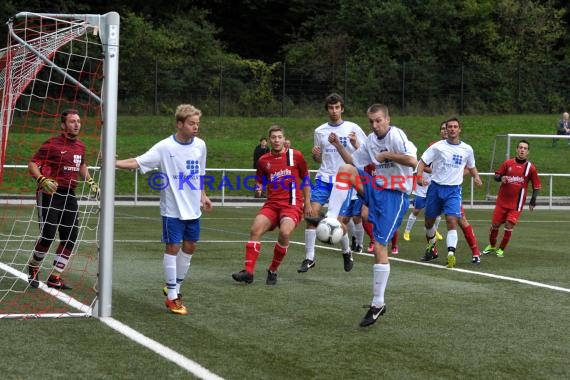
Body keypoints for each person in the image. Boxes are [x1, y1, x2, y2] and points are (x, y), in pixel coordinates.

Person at [307, 103, 417, 327]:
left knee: (379, 247)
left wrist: (388, 155)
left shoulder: (396, 135)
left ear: (387, 119)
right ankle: (332, 217)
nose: (375, 125)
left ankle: (378, 304)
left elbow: (413, 161)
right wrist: (338, 145)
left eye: (378, 121)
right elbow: (353, 162)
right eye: (371, 122)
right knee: (345, 171)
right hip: (375, 188)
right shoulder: (370, 140)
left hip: (394, 196)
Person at [115, 104, 213, 315]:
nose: (196, 127)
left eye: (197, 123)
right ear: (180, 124)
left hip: (193, 209)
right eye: (191, 123)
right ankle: (171, 298)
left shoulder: (201, 146)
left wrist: (203, 195)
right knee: (173, 248)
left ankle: (175, 287)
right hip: (173, 210)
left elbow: (201, 173)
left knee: (190, 246)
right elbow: (138, 161)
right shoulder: (164, 147)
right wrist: (115, 163)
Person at [26, 108, 100, 291]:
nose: (76, 124)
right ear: (63, 125)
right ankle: (34, 267)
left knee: (71, 236)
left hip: (69, 195)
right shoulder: (52, 144)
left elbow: (81, 164)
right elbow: (32, 163)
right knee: (48, 234)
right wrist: (41, 179)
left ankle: (55, 277)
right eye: (72, 121)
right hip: (49, 194)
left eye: (78, 121)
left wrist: (90, 181)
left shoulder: (81, 146)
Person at [232, 125, 311, 285]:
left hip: (292, 204)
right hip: (272, 204)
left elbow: (306, 178)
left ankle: (273, 270)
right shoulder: (263, 160)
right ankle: (248, 272)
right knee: (255, 229)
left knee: (285, 233)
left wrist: (307, 203)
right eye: (273, 137)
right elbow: (259, 180)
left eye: (279, 137)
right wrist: (258, 188)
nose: (276, 140)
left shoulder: (296, 156)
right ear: (269, 140)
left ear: (284, 138)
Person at [298, 93, 367, 274]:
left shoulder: (353, 128)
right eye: (331, 108)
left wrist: (355, 142)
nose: (334, 111)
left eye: (337, 107)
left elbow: (367, 152)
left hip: (344, 180)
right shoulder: (320, 131)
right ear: (327, 109)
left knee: (336, 222)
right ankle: (309, 258)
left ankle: (346, 252)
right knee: (312, 216)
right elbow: (318, 157)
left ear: (342, 108)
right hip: (324, 177)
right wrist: (315, 154)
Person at [416, 117, 482, 268]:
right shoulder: (437, 147)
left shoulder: (467, 149)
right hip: (435, 189)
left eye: (455, 127)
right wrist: (419, 177)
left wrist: (476, 177)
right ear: (445, 130)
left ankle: (452, 254)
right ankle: (432, 249)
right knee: (429, 222)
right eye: (449, 127)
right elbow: (422, 162)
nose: (451, 129)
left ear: (459, 129)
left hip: (453, 191)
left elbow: (471, 166)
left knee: (453, 221)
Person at [482, 140, 541, 257]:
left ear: (528, 152)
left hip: (516, 204)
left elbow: (536, 186)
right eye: (520, 147)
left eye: (525, 148)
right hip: (502, 201)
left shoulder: (531, 168)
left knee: (509, 225)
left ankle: (501, 249)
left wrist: (533, 200)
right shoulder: (508, 163)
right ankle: (492, 246)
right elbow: (496, 176)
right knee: (495, 225)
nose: (522, 150)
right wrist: (501, 178)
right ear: (516, 149)